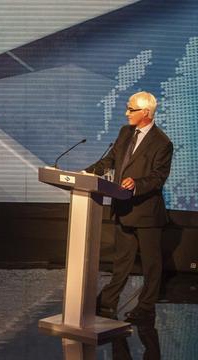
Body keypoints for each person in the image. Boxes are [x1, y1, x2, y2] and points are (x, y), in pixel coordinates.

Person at [86, 91, 173, 322]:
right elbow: (110, 160)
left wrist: (136, 184)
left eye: (130, 109)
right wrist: (86, 172)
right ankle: (107, 303)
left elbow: (158, 177)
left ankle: (145, 308)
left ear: (145, 113)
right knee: (121, 262)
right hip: (123, 209)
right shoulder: (125, 132)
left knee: (151, 266)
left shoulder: (162, 142)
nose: (126, 113)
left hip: (147, 213)